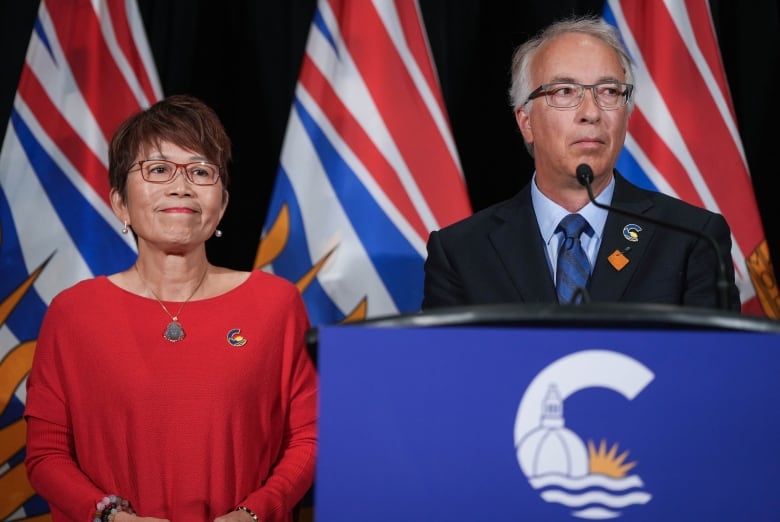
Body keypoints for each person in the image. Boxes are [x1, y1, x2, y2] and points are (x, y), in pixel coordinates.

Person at [24, 95, 317, 522]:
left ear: (222, 205)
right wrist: (109, 517)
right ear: (120, 203)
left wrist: (255, 513)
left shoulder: (276, 303)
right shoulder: (73, 313)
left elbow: (308, 437)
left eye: (200, 171)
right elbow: (46, 454)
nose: (181, 186)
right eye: (158, 170)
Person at [422, 16, 740, 311]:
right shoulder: (462, 253)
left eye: (609, 91)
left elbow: (713, 367)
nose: (591, 112)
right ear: (526, 121)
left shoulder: (694, 239)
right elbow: (448, 369)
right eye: (564, 91)